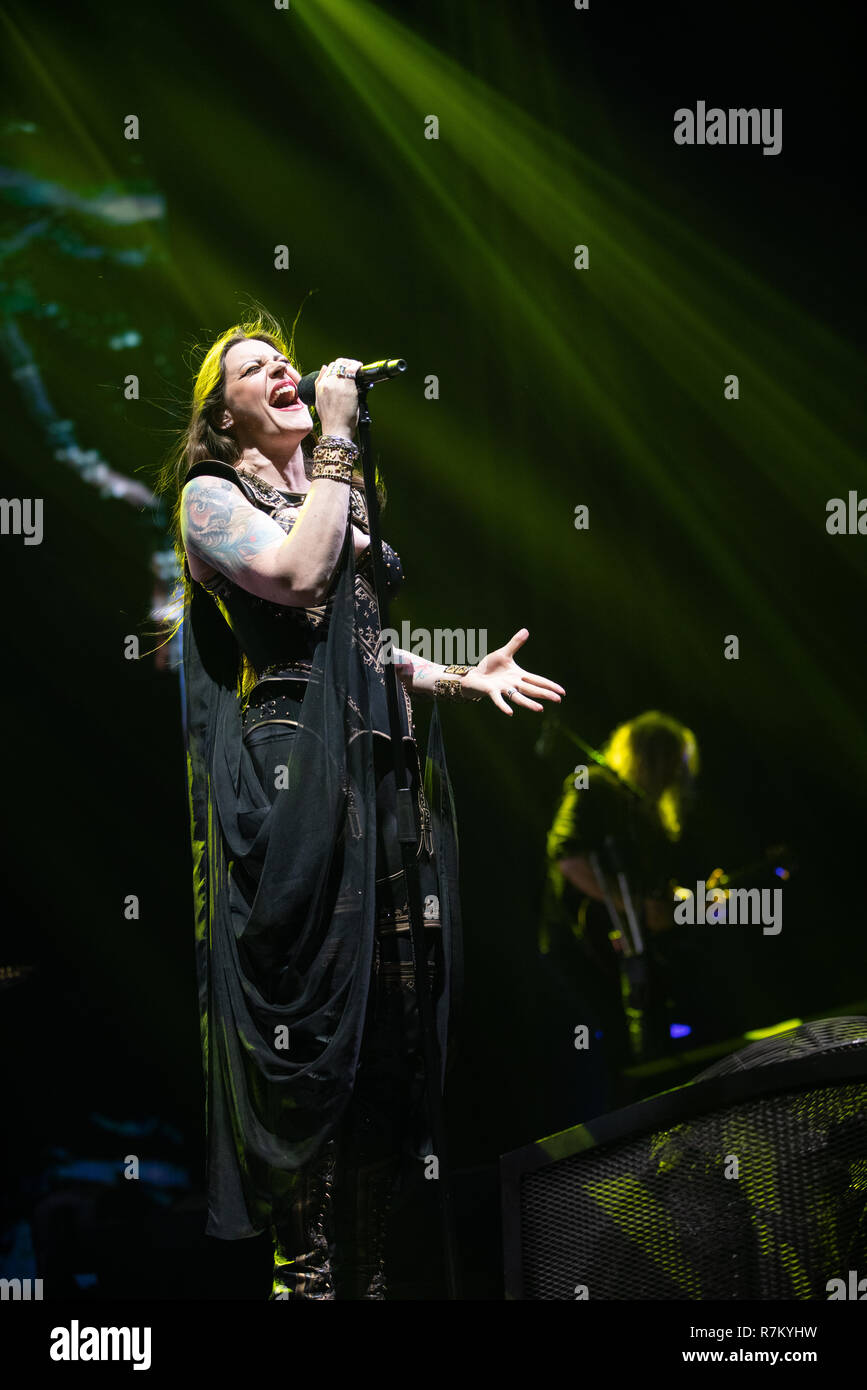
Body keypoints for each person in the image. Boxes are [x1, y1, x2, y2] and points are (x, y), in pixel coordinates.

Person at [157, 310, 565, 1299]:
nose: (286, 369)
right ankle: (309, 1276)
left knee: (390, 1047)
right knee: (315, 1060)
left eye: (287, 360)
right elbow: (295, 582)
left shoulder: (337, 494)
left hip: (380, 773)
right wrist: (337, 436)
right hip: (296, 781)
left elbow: (365, 646)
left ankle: (371, 1276)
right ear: (225, 417)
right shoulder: (213, 497)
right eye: (258, 369)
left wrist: (461, 679)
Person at [538, 711, 699, 1115]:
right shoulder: (593, 785)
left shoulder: (640, 812)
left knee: (646, 1055)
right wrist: (637, 907)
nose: (674, 777)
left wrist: (688, 901)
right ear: (650, 757)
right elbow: (568, 859)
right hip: (579, 954)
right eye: (670, 764)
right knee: (604, 1061)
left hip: (625, 961)